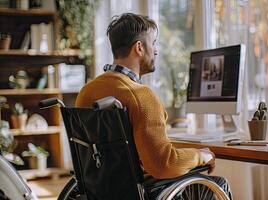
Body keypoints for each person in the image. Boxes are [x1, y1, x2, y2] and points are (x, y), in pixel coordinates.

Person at [75, 13, 232, 199]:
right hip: (142, 193)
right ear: (139, 47)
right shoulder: (141, 96)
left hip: (102, 192)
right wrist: (202, 155)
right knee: (219, 184)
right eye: (154, 42)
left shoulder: (86, 92)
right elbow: (162, 165)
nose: (156, 50)